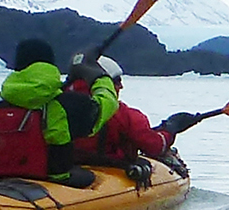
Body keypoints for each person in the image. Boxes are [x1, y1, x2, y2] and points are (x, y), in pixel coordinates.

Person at [0, 38, 94, 191]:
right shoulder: (66, 103)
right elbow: (105, 106)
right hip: (53, 184)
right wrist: (99, 77)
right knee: (91, 178)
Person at [65, 55, 187, 183]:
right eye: (117, 81)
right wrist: (170, 130)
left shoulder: (57, 105)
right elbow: (154, 146)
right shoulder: (124, 115)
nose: (121, 86)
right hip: (113, 169)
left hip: (66, 169)